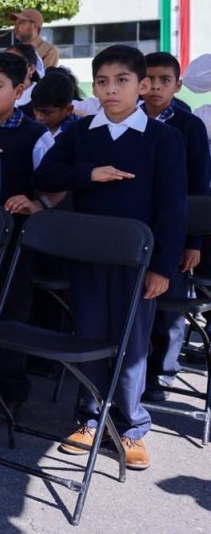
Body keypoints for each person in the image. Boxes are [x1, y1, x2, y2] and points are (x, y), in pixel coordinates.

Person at [35, 45, 187, 471]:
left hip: (137, 264)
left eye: (122, 81)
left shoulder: (163, 138)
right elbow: (45, 174)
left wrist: (163, 267)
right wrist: (89, 174)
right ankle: (90, 419)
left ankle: (130, 425)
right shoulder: (81, 133)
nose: (110, 90)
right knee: (89, 335)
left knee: (132, 342)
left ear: (142, 85)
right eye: (102, 81)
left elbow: (172, 208)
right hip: (87, 257)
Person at [0, 52, 59, 409]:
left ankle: (10, 391)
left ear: (19, 91)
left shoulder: (35, 135)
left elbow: (58, 185)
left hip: (15, 246)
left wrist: (39, 204)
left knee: (10, 314)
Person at [141, 51, 210, 401]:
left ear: (178, 85)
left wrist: (193, 241)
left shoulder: (189, 125)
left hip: (175, 228)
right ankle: (135, 371)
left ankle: (163, 373)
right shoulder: (129, 119)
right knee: (139, 304)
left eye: (164, 80)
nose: (156, 87)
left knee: (170, 307)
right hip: (137, 225)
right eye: (150, 79)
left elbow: (199, 185)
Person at [30, 71, 80, 137]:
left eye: (46, 112)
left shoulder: (78, 133)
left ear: (68, 109)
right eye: (36, 110)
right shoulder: (29, 128)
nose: (39, 117)